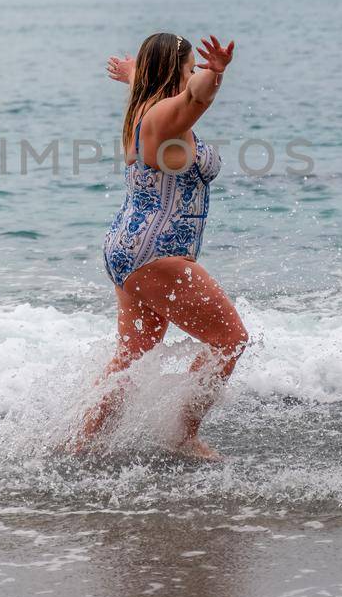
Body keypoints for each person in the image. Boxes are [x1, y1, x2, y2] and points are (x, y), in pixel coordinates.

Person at [71, 32, 248, 461]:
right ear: (175, 74)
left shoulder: (143, 109)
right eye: (190, 67)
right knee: (230, 339)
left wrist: (136, 74)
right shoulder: (167, 118)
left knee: (133, 356)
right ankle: (184, 435)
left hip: (126, 247)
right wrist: (216, 73)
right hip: (157, 251)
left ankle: (82, 444)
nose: (195, 74)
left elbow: (174, 93)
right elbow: (195, 98)